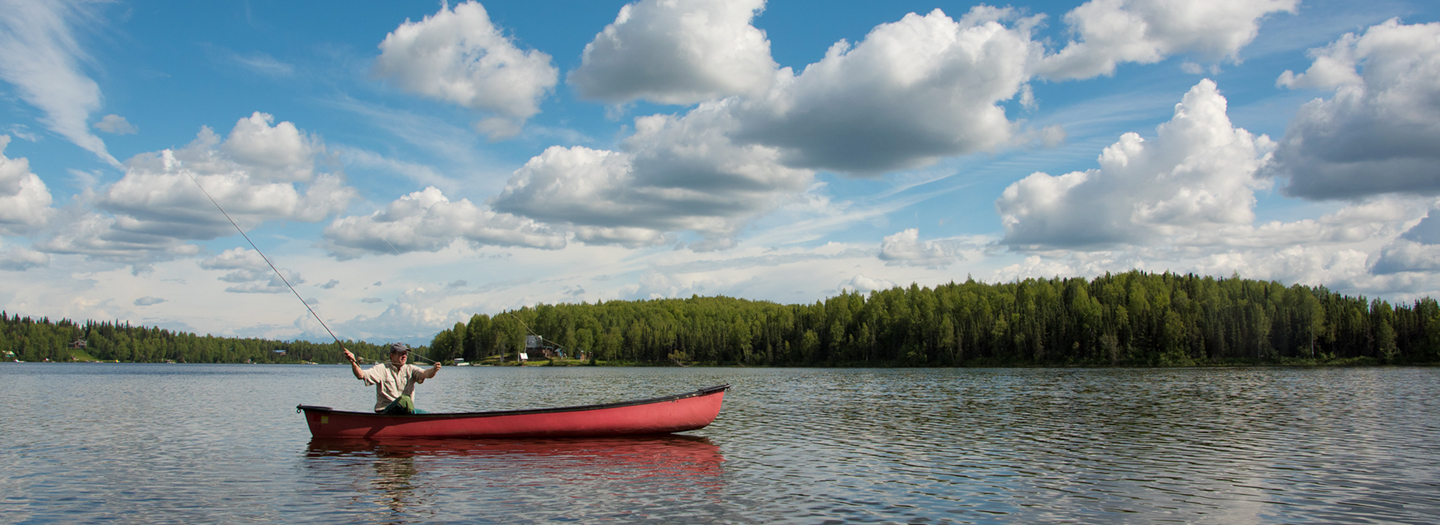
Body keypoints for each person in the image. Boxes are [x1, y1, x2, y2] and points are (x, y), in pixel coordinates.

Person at [343, 343, 441, 414]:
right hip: (385, 412)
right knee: (404, 399)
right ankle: (412, 419)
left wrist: (434, 370)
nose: (404, 356)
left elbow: (425, 374)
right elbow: (361, 375)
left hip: (405, 412)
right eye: (401, 353)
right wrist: (353, 362)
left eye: (405, 353)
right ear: (392, 356)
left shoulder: (410, 369)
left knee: (428, 415)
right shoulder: (381, 369)